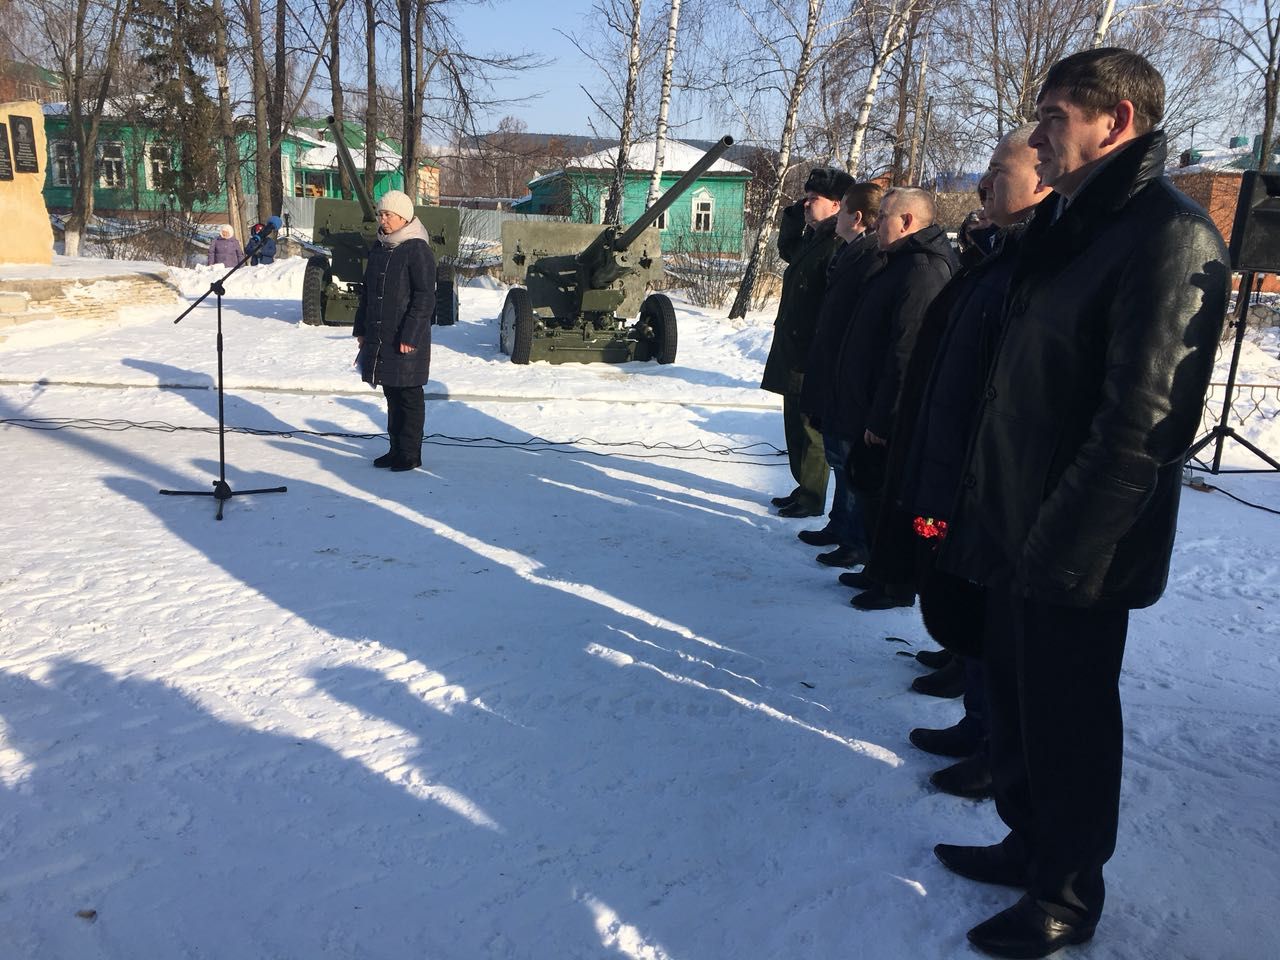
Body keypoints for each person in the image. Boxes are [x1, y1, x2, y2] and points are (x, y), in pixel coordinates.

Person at [932, 49, 1230, 958]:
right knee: (1018, 704)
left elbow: (1143, 420)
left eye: (1056, 112)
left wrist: (1067, 542)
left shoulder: (1167, 235)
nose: (1037, 132)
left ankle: (1066, 892)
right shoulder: (1067, 226)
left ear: (1119, 120)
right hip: (1017, 520)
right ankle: (1028, 841)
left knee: (1070, 720)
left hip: (1079, 542)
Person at [865, 125, 1052, 803]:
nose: (980, 186)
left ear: (1046, 178)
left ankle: (995, 746)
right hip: (954, 465)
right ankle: (977, 725)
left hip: (990, 482)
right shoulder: (995, 253)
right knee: (970, 609)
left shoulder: (1040, 260)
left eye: (998, 171)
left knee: (997, 629)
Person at [831, 186, 956, 610]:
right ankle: (878, 571)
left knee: (891, 500)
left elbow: (907, 352)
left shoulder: (921, 270)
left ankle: (896, 584)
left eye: (884, 215)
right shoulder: (898, 262)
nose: (875, 221)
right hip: (871, 404)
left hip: (893, 415)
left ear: (907, 221)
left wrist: (884, 418)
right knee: (873, 496)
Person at [797, 182, 883, 567]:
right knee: (837, 455)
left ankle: (854, 539)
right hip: (833, 368)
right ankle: (839, 525)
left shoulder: (869, 256)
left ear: (857, 217)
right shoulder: (851, 251)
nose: (837, 217)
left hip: (848, 372)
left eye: (843, 209)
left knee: (848, 460)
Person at [762, 165, 854, 518]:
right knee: (793, 424)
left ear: (836, 206)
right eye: (807, 198)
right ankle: (803, 487)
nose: (807, 204)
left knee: (810, 429)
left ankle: (813, 495)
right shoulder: (816, 239)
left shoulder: (835, 245)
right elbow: (789, 250)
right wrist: (791, 214)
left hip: (812, 353)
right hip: (795, 349)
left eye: (814, 199)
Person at [353, 190, 436, 473]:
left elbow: (425, 297)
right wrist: (361, 329)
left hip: (406, 337)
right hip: (380, 335)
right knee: (391, 393)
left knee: (408, 396)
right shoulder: (380, 247)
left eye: (387, 214)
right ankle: (394, 449)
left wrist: (410, 337)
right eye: (380, 214)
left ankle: (410, 454)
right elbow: (367, 293)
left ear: (403, 217)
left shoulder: (417, 248)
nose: (382, 219)